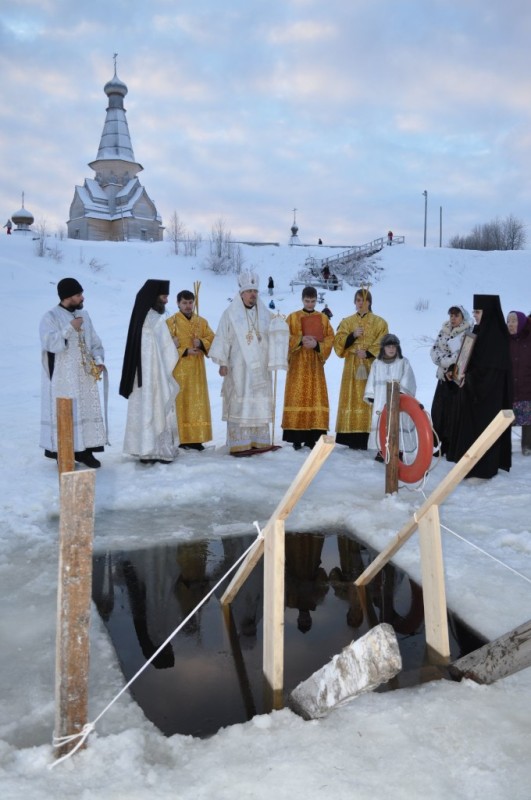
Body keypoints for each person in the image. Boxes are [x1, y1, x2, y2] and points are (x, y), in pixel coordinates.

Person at [209, 270, 286, 456]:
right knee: (241, 401)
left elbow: (275, 336)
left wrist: (279, 329)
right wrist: (222, 362)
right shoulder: (230, 314)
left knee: (258, 401)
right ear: (241, 293)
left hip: (261, 368)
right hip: (239, 368)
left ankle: (259, 441)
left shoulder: (266, 315)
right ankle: (240, 442)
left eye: (255, 291)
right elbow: (223, 339)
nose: (253, 295)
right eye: (249, 291)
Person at [39, 277, 106, 468]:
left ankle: (85, 452)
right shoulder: (50, 317)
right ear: (68, 296)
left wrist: (99, 361)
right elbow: (50, 344)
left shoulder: (84, 314)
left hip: (85, 376)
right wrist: (70, 328)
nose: (82, 297)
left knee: (84, 410)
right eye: (78, 294)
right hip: (63, 377)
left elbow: (95, 342)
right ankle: (65, 452)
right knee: (68, 412)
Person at [449, 294, 512, 478]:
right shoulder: (478, 330)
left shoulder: (497, 337)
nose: (474, 315)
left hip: (488, 398)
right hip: (472, 393)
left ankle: (484, 468)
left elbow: (492, 371)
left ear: (488, 312)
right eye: (474, 311)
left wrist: (469, 377)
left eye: (478, 311)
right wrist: (458, 371)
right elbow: (468, 359)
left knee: (485, 432)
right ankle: (468, 466)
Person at [120, 280, 179, 464]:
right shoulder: (154, 319)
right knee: (155, 406)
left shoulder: (140, 316)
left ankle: (144, 449)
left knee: (144, 407)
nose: (166, 301)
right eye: (164, 297)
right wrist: (174, 345)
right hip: (153, 375)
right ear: (154, 297)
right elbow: (165, 348)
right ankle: (156, 450)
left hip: (143, 374)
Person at [334, 288, 389, 449]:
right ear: (354, 302)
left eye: (364, 300)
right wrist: (352, 336)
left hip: (371, 366)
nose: (360, 303)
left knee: (369, 398)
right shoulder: (347, 321)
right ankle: (350, 437)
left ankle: (369, 436)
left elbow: (384, 341)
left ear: (369, 302)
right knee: (352, 397)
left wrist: (368, 352)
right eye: (358, 300)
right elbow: (338, 342)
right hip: (352, 365)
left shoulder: (380, 322)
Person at [281, 286, 335, 450]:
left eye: (312, 301)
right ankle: (296, 437)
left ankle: (313, 438)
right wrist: (300, 340)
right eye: (307, 301)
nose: (310, 304)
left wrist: (317, 345)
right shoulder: (292, 318)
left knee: (314, 396)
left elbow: (330, 338)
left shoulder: (323, 319)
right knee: (297, 396)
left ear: (316, 300)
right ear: (302, 300)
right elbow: (283, 337)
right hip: (298, 364)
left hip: (314, 365)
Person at [166, 290, 214, 451]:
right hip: (178, 370)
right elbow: (162, 347)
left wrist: (201, 342)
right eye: (184, 303)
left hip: (197, 370)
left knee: (197, 402)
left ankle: (196, 438)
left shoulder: (202, 322)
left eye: (190, 302)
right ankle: (181, 438)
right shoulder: (170, 322)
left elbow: (213, 339)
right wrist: (184, 351)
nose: (188, 306)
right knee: (181, 402)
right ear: (178, 303)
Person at [363, 334, 416, 461]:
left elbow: (409, 380)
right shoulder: (377, 362)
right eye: (388, 346)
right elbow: (372, 379)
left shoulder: (403, 362)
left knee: (398, 423)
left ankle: (399, 451)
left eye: (394, 346)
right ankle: (382, 450)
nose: (391, 349)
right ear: (383, 348)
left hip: (398, 399)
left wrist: (402, 393)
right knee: (381, 422)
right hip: (381, 399)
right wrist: (370, 394)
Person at [430, 305, 473, 457]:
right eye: (451, 315)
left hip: (456, 380)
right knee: (438, 412)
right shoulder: (444, 331)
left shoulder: (467, 334)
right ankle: (439, 444)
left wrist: (447, 363)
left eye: (456, 315)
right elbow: (434, 351)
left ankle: (450, 445)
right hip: (443, 378)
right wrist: (445, 363)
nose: (453, 318)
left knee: (452, 414)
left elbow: (462, 355)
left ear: (463, 317)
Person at [507, 310, 531, 455]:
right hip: (509, 388)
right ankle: (504, 448)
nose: (510, 324)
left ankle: (527, 447)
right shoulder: (504, 340)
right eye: (508, 321)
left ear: (521, 323)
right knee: (505, 420)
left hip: (527, 386)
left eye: (514, 321)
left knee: (528, 418)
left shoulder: (529, 339)